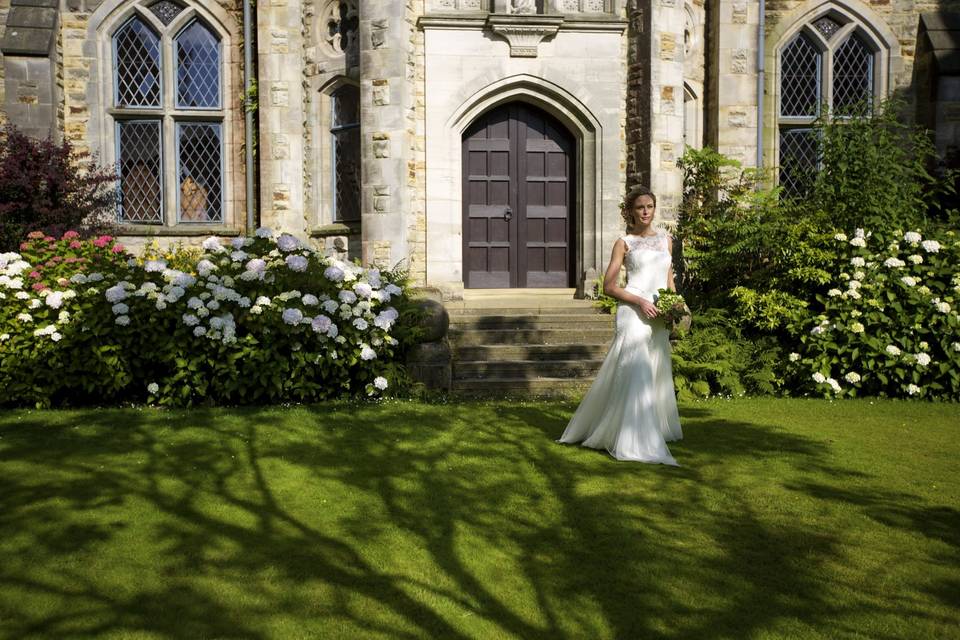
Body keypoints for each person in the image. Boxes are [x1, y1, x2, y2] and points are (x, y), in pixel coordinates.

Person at [558, 186, 683, 464]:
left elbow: (668, 277)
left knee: (655, 368)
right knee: (636, 370)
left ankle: (650, 428)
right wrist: (640, 302)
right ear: (630, 211)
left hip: (659, 313)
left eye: (650, 206)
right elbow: (610, 286)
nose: (646, 211)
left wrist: (674, 306)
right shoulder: (624, 243)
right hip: (633, 310)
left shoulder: (666, 240)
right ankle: (635, 438)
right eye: (640, 207)